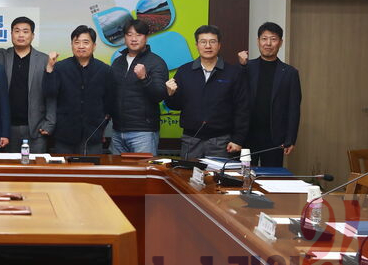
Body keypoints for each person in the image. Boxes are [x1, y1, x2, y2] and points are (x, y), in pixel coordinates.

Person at [165, 25, 249, 160]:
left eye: (212, 41)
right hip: (191, 140)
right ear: (197, 45)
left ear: (219, 45)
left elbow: (242, 108)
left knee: (218, 174)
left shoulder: (233, 73)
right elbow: (175, 105)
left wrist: (238, 139)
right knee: (188, 173)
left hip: (221, 141)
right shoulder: (184, 71)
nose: (208, 46)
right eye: (203, 42)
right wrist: (170, 94)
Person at [0, 17, 55, 153]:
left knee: (36, 166)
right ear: (11, 34)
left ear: (32, 35)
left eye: (25, 31)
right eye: (17, 31)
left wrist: (49, 123)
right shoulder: (1, 55)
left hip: (36, 128)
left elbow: (51, 94)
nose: (21, 35)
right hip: (5, 129)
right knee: (6, 166)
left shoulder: (44, 60)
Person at [238, 22, 302, 167]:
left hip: (275, 137)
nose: (268, 43)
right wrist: (242, 67)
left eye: (273, 39)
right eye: (264, 39)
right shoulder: (247, 67)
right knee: (243, 174)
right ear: (258, 41)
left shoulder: (290, 73)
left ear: (280, 43)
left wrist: (290, 139)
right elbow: (236, 98)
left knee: (271, 175)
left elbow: (294, 108)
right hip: (247, 135)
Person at [43, 25, 113, 155]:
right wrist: (50, 68)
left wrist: (102, 126)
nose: (81, 46)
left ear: (94, 46)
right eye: (77, 42)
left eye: (85, 42)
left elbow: (109, 103)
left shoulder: (105, 70)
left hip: (93, 135)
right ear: (72, 45)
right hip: (64, 135)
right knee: (64, 167)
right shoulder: (60, 67)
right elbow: (49, 92)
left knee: (91, 168)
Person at [109, 19, 168, 155]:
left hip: (143, 133)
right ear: (124, 38)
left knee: (144, 168)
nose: (133, 39)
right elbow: (111, 94)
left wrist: (144, 78)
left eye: (138, 34)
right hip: (117, 131)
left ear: (146, 38)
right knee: (117, 168)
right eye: (129, 34)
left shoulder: (156, 62)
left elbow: (160, 95)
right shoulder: (117, 62)